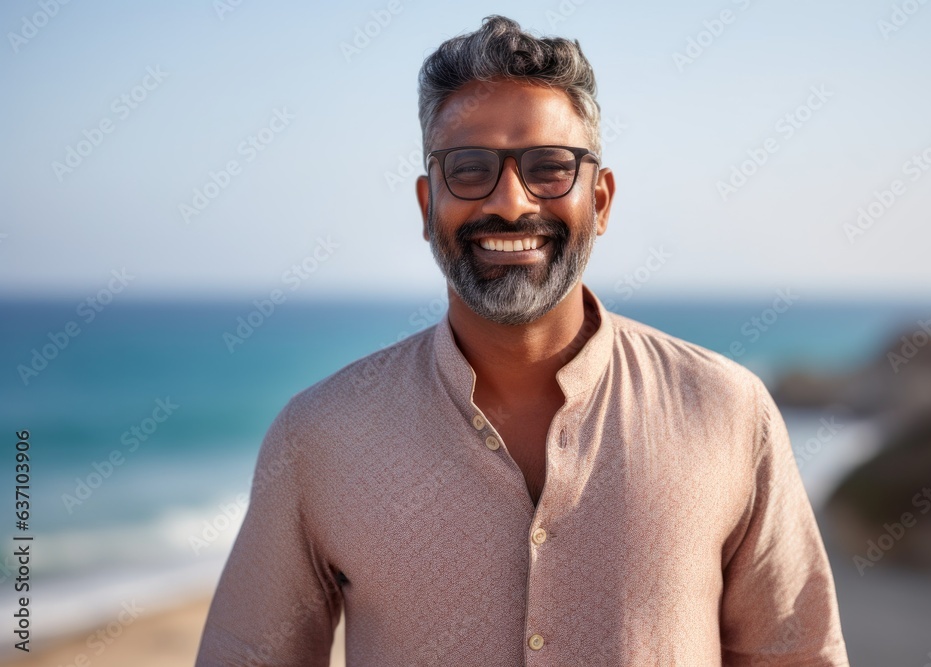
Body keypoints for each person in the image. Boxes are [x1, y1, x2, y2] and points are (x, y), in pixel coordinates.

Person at [196, 15, 849, 666]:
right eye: (471, 168)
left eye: (549, 167)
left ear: (601, 200)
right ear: (428, 206)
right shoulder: (320, 437)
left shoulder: (729, 411)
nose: (510, 202)